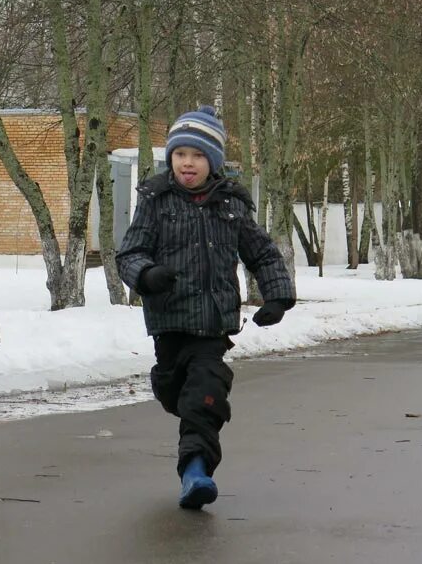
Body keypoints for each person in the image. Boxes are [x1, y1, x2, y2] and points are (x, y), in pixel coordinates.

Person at [116, 105, 295, 510]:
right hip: (169, 323)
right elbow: (129, 253)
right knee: (175, 391)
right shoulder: (156, 201)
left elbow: (262, 253)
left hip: (213, 326)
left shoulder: (229, 203)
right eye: (180, 154)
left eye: (197, 156)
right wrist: (146, 275)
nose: (188, 163)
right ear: (171, 158)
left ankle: (195, 472)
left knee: (206, 394)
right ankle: (176, 398)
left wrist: (278, 296)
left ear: (212, 161)